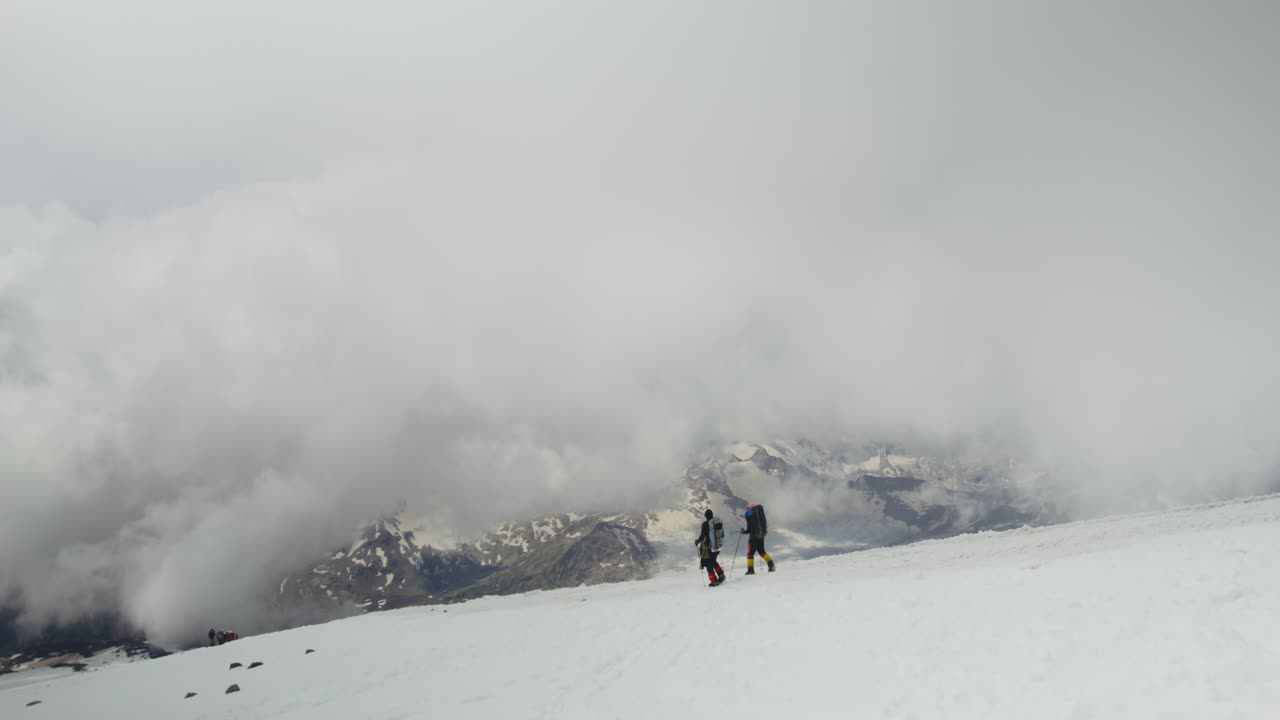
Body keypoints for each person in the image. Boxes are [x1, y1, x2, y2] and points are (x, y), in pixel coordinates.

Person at [740, 502, 775, 575]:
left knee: (750, 553)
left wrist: (744, 532)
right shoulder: (760, 512)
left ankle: (750, 570)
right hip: (761, 535)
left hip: (753, 536)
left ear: (749, 508)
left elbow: (749, 529)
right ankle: (771, 565)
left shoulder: (749, 514)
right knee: (762, 552)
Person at [694, 509, 726, 587]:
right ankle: (721, 575)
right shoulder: (716, 522)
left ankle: (714, 581)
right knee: (713, 561)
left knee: (708, 563)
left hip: (709, 547)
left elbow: (702, 536)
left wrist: (697, 541)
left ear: (705, 516)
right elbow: (722, 535)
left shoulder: (705, 524)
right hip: (717, 546)